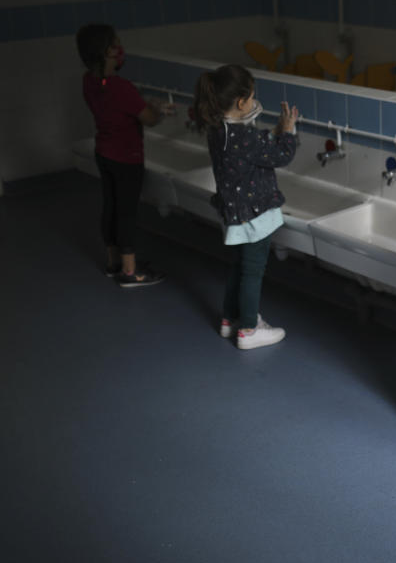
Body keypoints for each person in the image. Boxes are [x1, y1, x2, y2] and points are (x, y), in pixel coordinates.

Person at [193, 65, 298, 350]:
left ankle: (230, 319)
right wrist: (287, 131)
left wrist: (274, 132)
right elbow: (280, 155)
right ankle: (249, 329)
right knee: (253, 270)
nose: (254, 103)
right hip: (255, 214)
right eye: (252, 97)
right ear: (241, 102)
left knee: (239, 267)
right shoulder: (244, 137)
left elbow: (254, 149)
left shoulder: (219, 130)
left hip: (233, 212)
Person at [76, 23, 173, 287]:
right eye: (116, 45)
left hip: (104, 153)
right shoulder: (120, 87)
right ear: (107, 51)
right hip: (126, 157)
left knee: (111, 206)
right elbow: (149, 120)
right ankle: (130, 272)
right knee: (127, 212)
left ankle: (113, 262)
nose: (121, 49)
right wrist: (159, 109)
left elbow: (120, 108)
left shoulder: (91, 81)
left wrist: (143, 104)